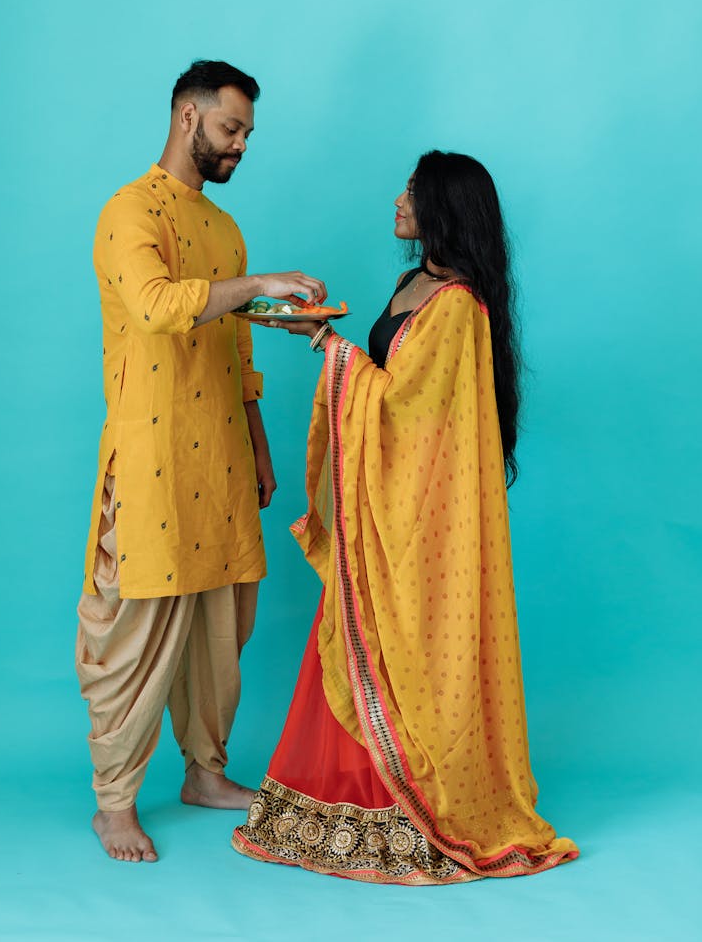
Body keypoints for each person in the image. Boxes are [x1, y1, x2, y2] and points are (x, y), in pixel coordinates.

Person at [233, 150, 578, 884]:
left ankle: (409, 807)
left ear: (442, 207)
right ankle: (344, 800)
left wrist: (329, 346)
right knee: (356, 636)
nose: (397, 200)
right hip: (381, 511)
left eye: (411, 192)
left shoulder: (456, 305)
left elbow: (407, 409)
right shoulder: (410, 283)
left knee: (415, 653)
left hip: (425, 524)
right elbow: (389, 387)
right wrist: (330, 343)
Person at [77, 59, 327, 863]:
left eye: (247, 132)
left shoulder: (223, 229)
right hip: (151, 453)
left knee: (225, 618)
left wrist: (257, 440)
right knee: (139, 625)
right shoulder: (128, 213)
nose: (241, 145)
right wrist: (254, 281)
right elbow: (154, 306)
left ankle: (205, 771)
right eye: (231, 129)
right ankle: (115, 803)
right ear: (189, 118)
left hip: (219, 449)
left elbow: (234, 337)